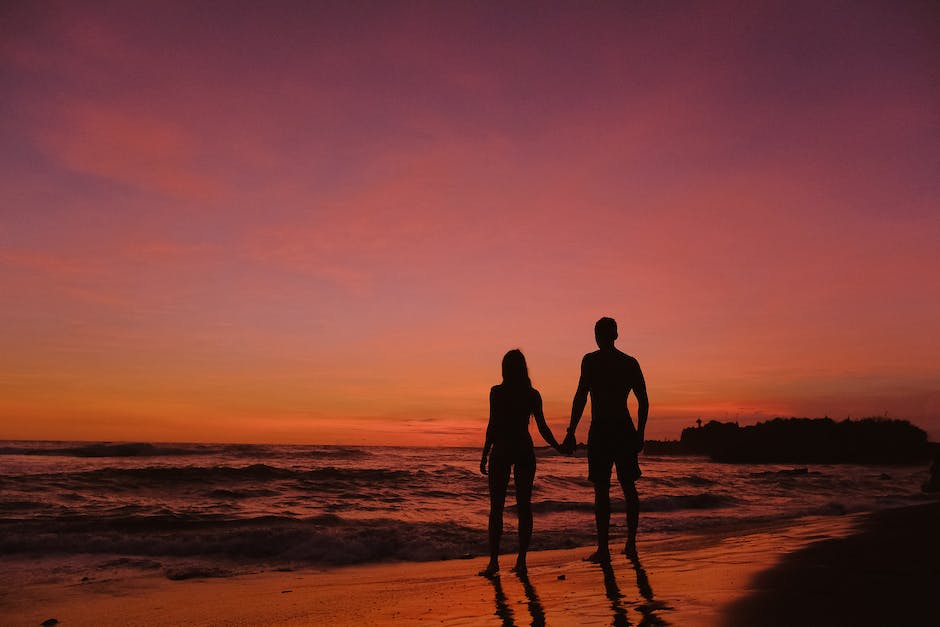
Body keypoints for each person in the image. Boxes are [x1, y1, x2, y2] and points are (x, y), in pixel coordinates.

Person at [562, 317, 649, 562]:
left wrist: (571, 431)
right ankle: (630, 543)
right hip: (622, 429)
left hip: (601, 430)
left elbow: (580, 396)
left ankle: (604, 549)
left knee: (602, 490)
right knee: (628, 487)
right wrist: (640, 433)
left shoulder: (591, 361)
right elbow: (643, 402)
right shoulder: (629, 363)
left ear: (598, 337)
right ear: (616, 336)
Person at [479, 349, 562, 577]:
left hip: (503, 449)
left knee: (496, 508)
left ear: (505, 369)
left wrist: (485, 452)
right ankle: (522, 561)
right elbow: (543, 428)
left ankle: (494, 563)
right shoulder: (532, 394)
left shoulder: (497, 392)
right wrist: (559, 446)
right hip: (524, 449)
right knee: (524, 507)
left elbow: (492, 425)